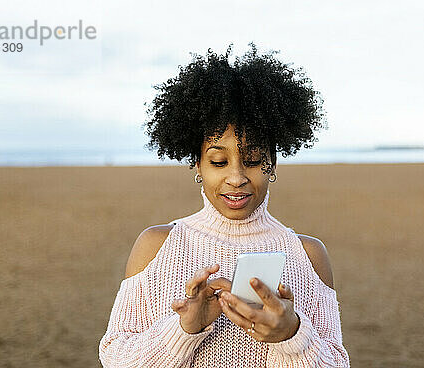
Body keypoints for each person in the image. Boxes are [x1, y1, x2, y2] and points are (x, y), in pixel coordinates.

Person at [98, 43, 351, 367]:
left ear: (272, 163)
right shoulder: (156, 246)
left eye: (254, 160)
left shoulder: (309, 255)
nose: (236, 177)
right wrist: (185, 327)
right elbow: (115, 359)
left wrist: (292, 334)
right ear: (198, 165)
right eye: (219, 161)